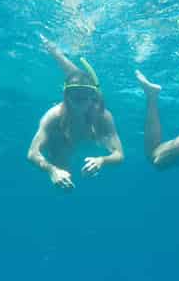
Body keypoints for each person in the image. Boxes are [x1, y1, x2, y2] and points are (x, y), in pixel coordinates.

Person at [27, 36, 124, 190]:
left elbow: (119, 154)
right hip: (63, 138)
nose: (81, 103)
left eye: (86, 96)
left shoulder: (102, 114)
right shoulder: (54, 116)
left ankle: (55, 52)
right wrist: (52, 170)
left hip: (85, 128)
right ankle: (54, 51)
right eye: (76, 97)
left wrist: (102, 160)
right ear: (66, 97)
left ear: (93, 97)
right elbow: (33, 153)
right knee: (61, 171)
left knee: (78, 76)